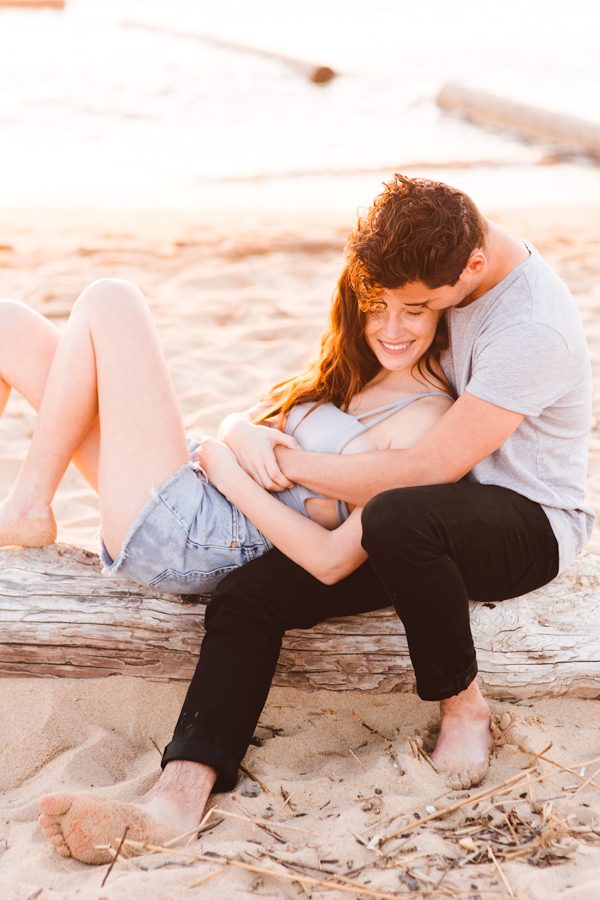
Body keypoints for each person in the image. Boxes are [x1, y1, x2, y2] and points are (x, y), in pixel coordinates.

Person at [35, 174, 593, 865]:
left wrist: (282, 463)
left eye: (418, 307)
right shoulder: (426, 263)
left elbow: (425, 469)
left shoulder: (529, 326)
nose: (401, 319)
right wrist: (248, 431)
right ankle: (176, 797)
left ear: (471, 269)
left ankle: (463, 706)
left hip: (522, 521)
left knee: (398, 516)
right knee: (248, 595)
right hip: (415, 513)